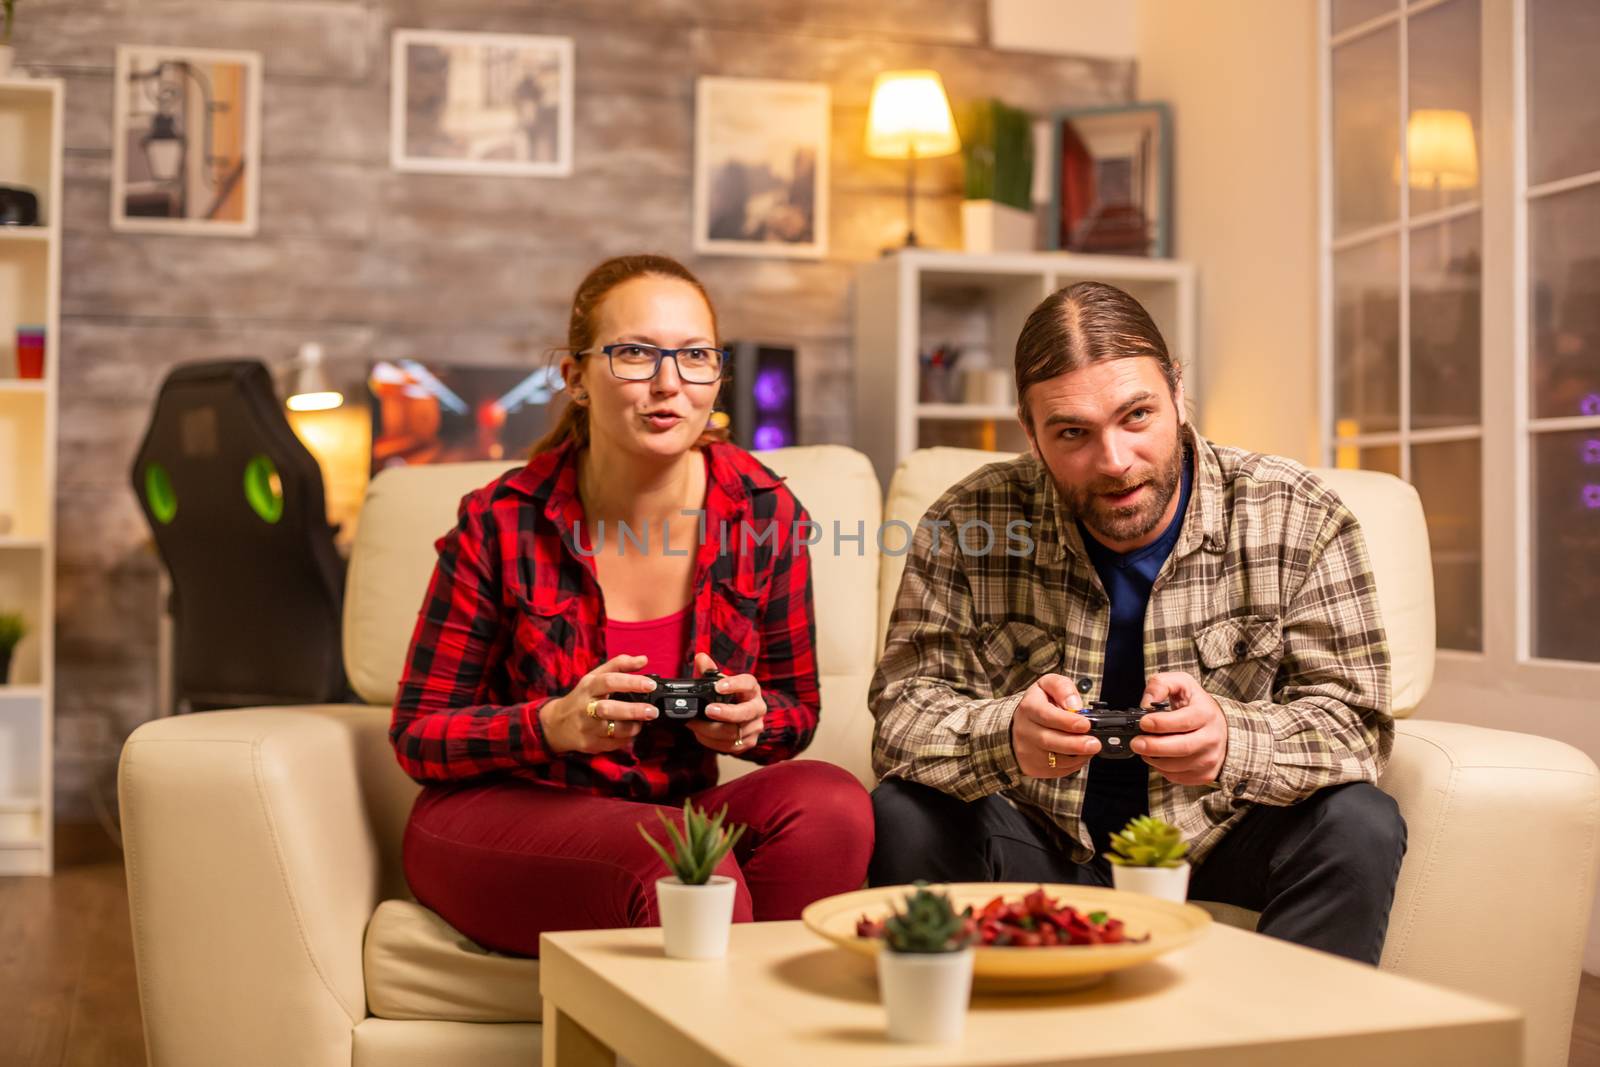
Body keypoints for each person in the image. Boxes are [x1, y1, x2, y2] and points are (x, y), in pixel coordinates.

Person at [868, 281, 1405, 965]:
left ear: (1178, 394)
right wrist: (1006, 734)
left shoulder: (1297, 515)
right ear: (1029, 433)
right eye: (1072, 433)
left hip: (1218, 839)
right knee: (903, 808)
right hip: (1037, 839)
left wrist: (1230, 739)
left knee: (1360, 820)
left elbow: (1358, 725)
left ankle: (1284, 1046)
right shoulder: (966, 522)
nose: (1115, 460)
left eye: (1136, 416)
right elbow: (901, 717)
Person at [393, 253, 872, 956]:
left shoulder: (764, 513)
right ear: (577, 378)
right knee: (683, 867)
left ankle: (777, 1028)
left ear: (717, 374)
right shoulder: (501, 521)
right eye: (634, 354)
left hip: (661, 809)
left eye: (695, 356)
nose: (668, 384)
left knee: (831, 805)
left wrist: (747, 722)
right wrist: (552, 723)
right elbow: (418, 733)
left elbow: (795, 712)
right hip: (502, 815)